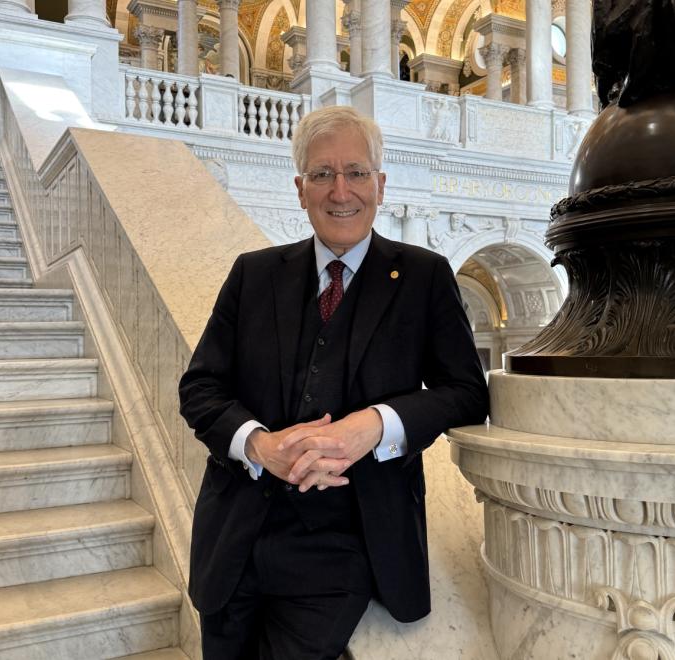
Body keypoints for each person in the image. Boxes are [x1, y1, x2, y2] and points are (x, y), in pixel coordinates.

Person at [178, 105, 489, 659]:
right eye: (322, 174)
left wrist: (376, 425)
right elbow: (200, 388)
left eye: (356, 172)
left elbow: (465, 391)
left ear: (380, 184)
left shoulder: (424, 276)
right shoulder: (253, 273)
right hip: (235, 538)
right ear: (301, 189)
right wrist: (258, 444)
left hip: (347, 544)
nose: (340, 190)